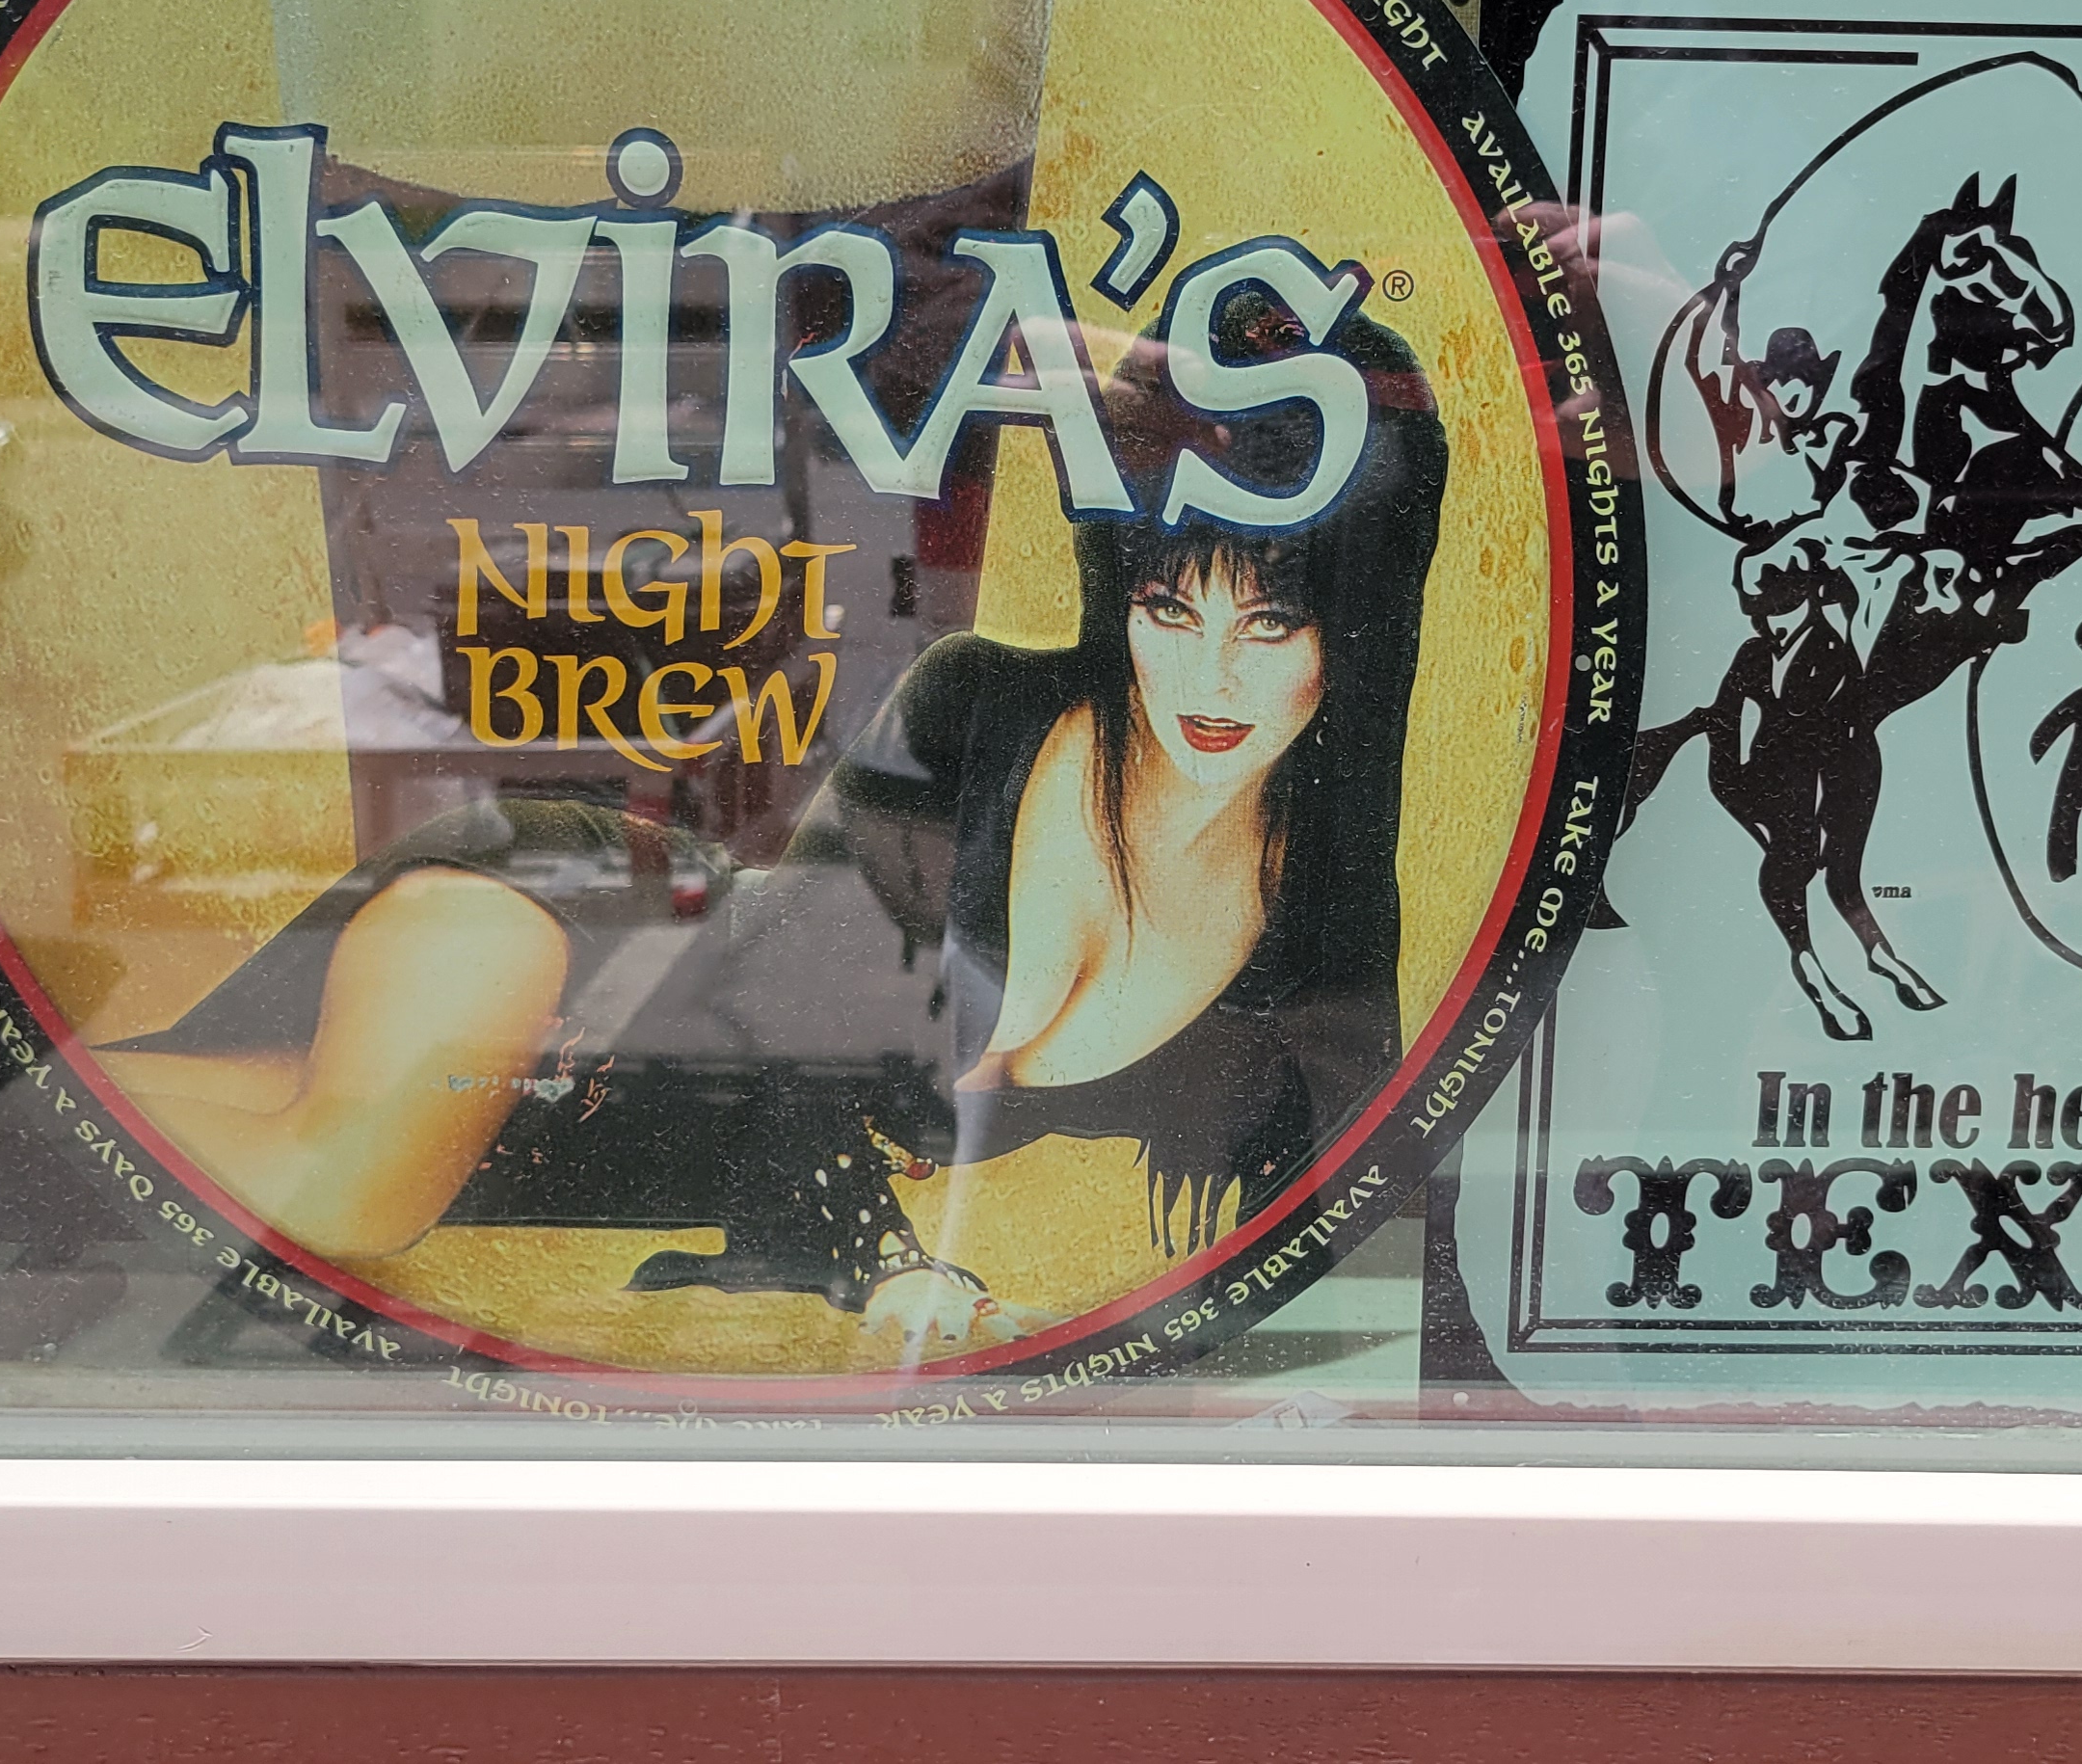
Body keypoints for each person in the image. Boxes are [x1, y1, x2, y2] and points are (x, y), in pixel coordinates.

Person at [90, 300, 1447, 1342]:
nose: (1210, 678)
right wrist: (891, 1265)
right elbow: (790, 1027)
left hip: (569, 1151)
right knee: (344, 1186)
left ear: (1353, 642)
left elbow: (1347, 1215)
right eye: (1170, 608)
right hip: (592, 939)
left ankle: (1, 1089)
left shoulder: (1318, 924)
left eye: (1272, 623)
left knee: (151, 1127)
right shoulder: (979, 708)